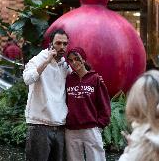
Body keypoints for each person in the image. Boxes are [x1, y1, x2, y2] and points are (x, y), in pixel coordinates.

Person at [23, 29, 71, 161]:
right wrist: (46, 62)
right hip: (39, 125)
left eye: (65, 44)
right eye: (58, 43)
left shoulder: (65, 66)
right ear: (51, 44)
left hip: (60, 126)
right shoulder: (38, 59)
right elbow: (27, 79)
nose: (62, 47)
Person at [65, 47, 111, 161]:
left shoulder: (95, 79)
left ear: (84, 59)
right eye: (71, 60)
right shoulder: (68, 80)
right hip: (71, 130)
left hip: (91, 129)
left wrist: (99, 125)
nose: (74, 62)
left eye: (77, 59)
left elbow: (104, 103)